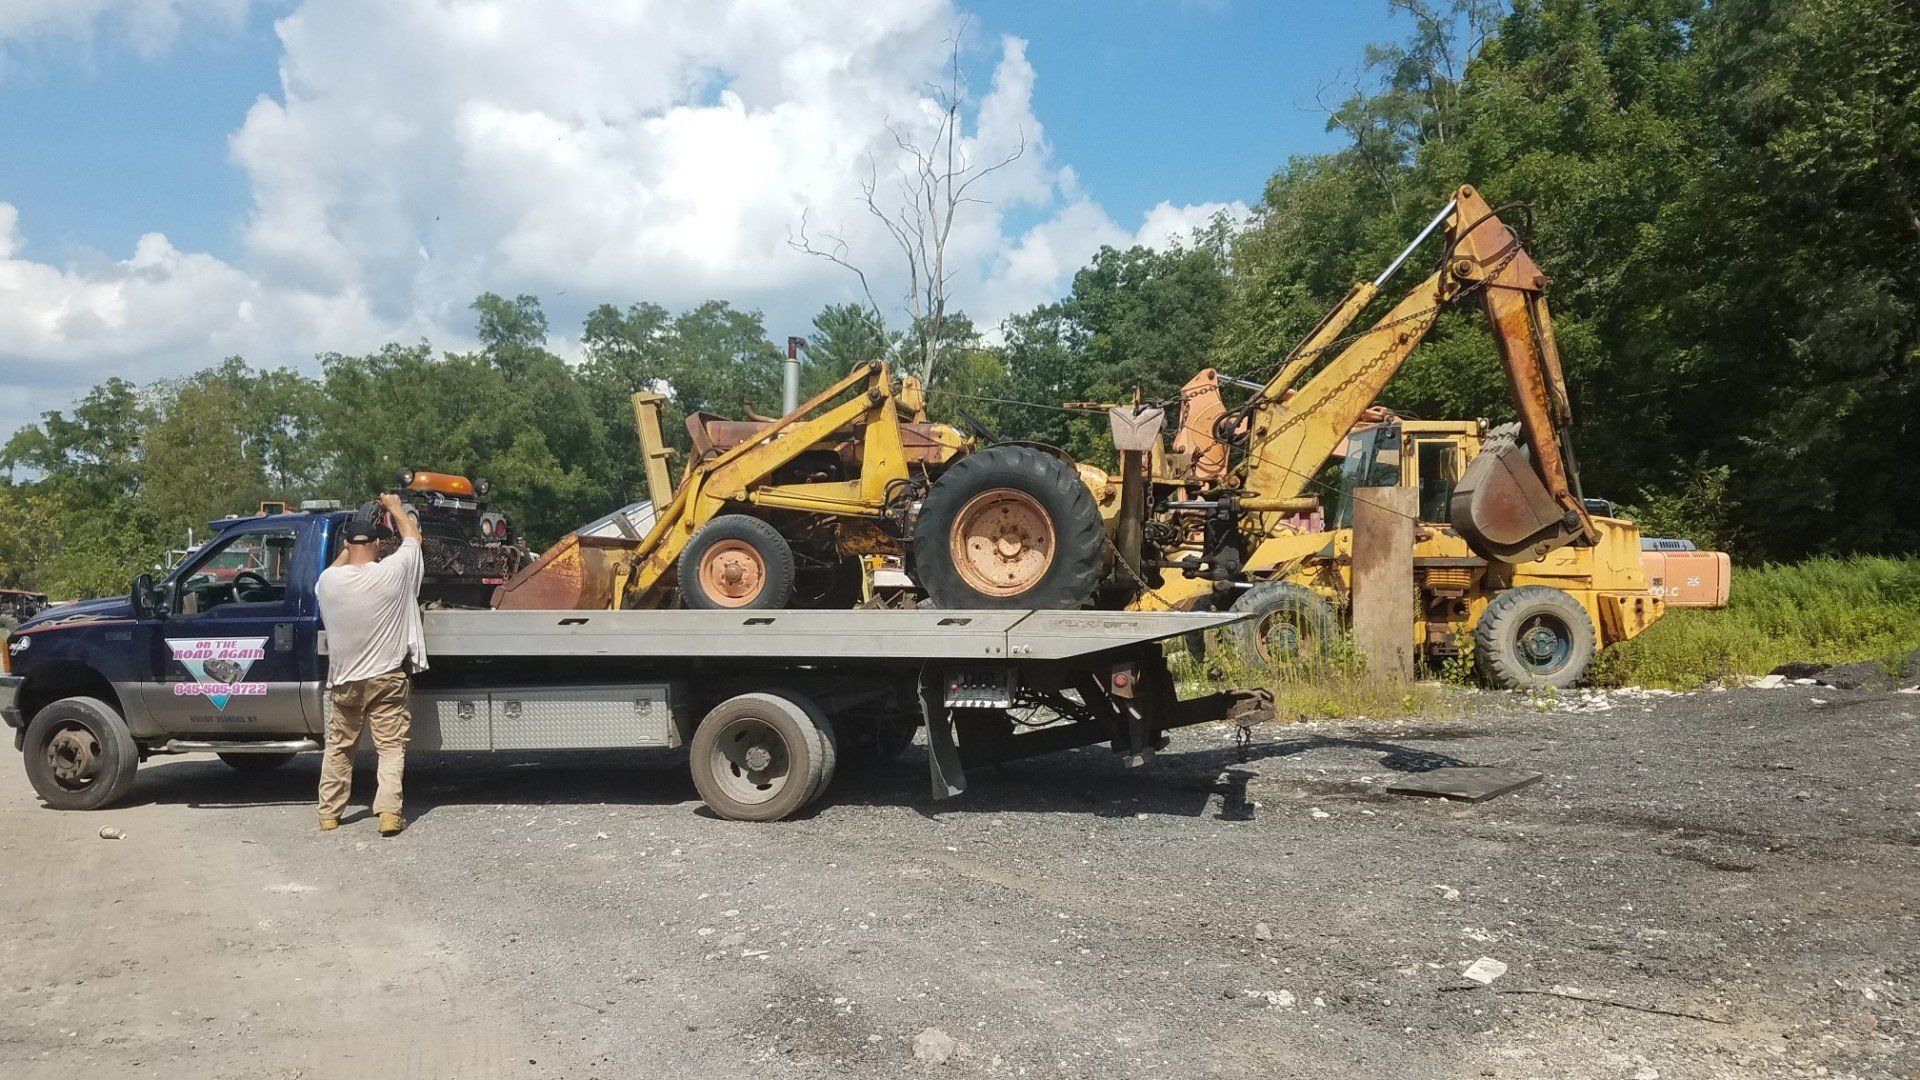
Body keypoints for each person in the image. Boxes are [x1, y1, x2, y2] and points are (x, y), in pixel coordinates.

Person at [315, 493, 426, 837]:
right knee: (390, 748)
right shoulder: (392, 571)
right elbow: (413, 539)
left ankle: (329, 814)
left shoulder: (327, 583)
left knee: (339, 748)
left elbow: (336, 566)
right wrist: (394, 507)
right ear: (378, 544)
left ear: (347, 544)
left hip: (346, 682)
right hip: (387, 678)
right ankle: (389, 815)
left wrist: (348, 547)